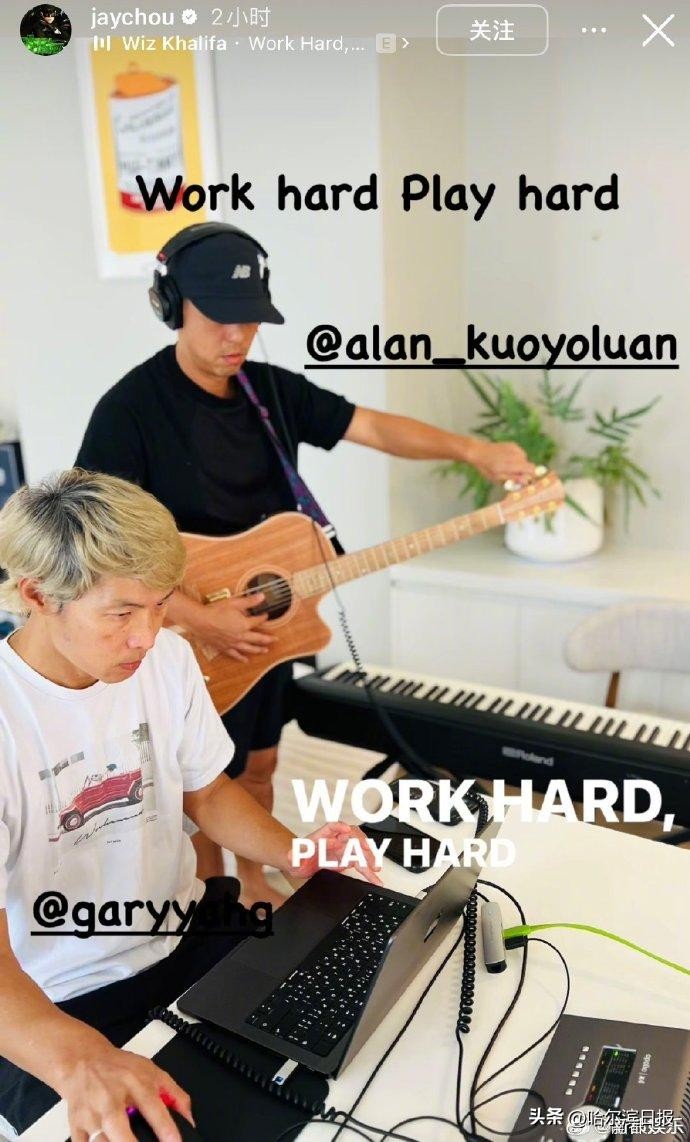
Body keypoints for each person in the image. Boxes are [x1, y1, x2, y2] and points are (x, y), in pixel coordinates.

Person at [75, 222, 534, 905]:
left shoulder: (269, 393)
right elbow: (96, 543)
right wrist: (198, 618)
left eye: (251, 320)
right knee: (204, 780)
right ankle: (217, 892)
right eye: (219, 317)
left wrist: (474, 451)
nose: (237, 336)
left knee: (261, 763)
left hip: (269, 624)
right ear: (172, 307)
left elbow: (370, 426)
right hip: (183, 638)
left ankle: (253, 877)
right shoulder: (129, 412)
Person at [0, 469, 377, 1140]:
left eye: (159, 605)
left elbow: (205, 790)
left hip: (189, 933)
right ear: (36, 594)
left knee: (359, 1045)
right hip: (56, 1002)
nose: (147, 635)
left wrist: (295, 851)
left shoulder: (167, 660)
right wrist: (78, 1058)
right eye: (121, 613)